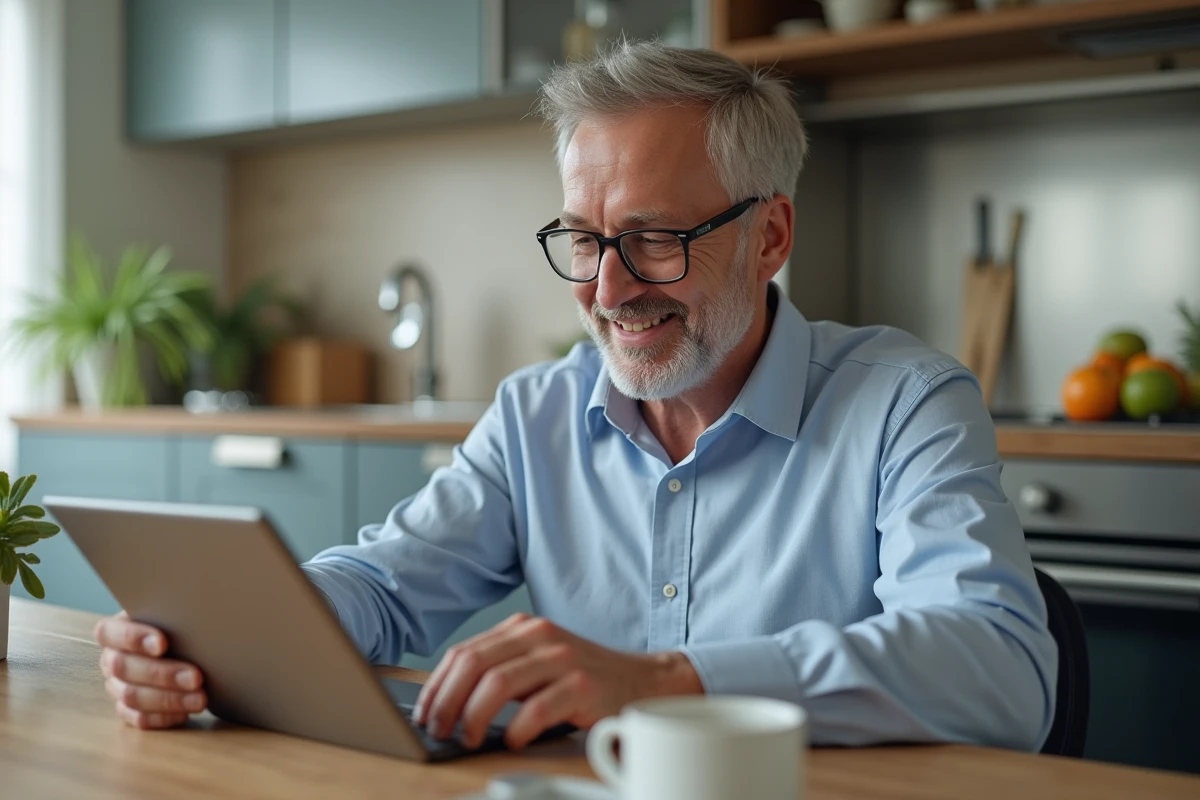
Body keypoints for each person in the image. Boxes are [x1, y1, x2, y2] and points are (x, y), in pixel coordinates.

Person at [94, 41, 1056, 753]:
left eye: (655, 239)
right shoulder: (536, 414)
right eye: (586, 240)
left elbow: (999, 666)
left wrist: (664, 683)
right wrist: (220, 636)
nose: (605, 289)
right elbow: (386, 587)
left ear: (770, 237)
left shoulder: (906, 402)